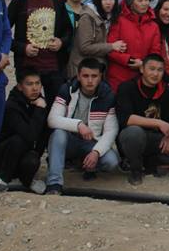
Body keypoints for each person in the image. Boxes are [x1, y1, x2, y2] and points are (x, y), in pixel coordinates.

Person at [45, 57, 120, 194]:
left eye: (94, 76)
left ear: (100, 77)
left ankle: (85, 164)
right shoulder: (67, 90)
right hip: (69, 139)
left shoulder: (108, 96)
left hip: (91, 142)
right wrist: (78, 125)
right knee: (58, 134)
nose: (90, 80)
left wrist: (96, 152)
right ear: (79, 76)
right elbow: (52, 119)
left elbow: (111, 131)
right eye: (85, 76)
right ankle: (54, 183)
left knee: (111, 161)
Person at [116, 54, 169, 185]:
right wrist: (158, 122)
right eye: (151, 69)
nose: (155, 74)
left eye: (160, 70)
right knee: (134, 132)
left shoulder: (166, 91)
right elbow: (126, 119)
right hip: (131, 137)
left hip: (154, 137)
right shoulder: (127, 87)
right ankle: (135, 169)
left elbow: (168, 121)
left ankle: (149, 163)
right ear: (142, 69)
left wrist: (168, 136)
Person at [9, 0, 73, 105]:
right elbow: (3, 33)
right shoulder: (20, 1)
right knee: (28, 107)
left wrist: (61, 42)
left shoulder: (58, 0)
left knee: (56, 107)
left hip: (54, 67)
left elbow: (69, 31)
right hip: (27, 67)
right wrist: (23, 48)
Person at [0, 70, 48, 194]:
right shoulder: (12, 106)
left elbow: (42, 135)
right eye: (29, 84)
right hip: (2, 158)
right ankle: (3, 178)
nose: (35, 88)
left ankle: (27, 181)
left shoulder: (40, 102)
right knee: (19, 139)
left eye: (37, 83)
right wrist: (39, 110)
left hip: (23, 155)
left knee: (32, 160)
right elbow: (29, 135)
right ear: (20, 87)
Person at [105, 0, 162, 93]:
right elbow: (110, 49)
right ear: (131, 4)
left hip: (143, 77)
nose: (144, 3)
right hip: (118, 76)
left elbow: (155, 51)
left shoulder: (153, 26)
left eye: (146, 0)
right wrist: (129, 60)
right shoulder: (118, 21)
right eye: (140, 0)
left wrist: (143, 64)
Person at [67, 0, 124, 77]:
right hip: (81, 70)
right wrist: (111, 46)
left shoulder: (111, 17)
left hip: (99, 69)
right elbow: (85, 47)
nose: (108, 2)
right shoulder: (87, 17)